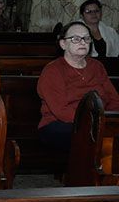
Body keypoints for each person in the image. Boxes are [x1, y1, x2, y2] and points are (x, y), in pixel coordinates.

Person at [37, 21, 119, 153]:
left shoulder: (97, 67)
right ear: (63, 44)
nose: (83, 42)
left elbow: (114, 99)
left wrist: (110, 121)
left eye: (86, 38)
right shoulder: (53, 71)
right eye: (76, 39)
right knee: (89, 137)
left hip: (98, 122)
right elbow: (61, 111)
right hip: (59, 124)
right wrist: (95, 122)